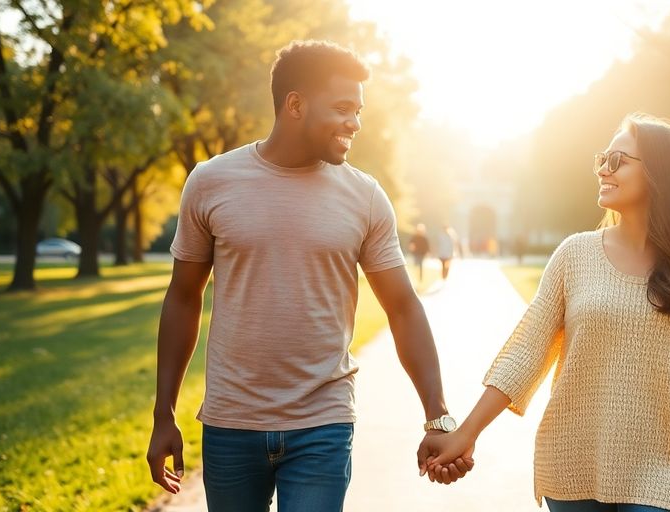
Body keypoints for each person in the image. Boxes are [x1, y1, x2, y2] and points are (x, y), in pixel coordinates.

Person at [146, 40, 471, 512]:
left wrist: (437, 416)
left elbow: (403, 307)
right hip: (231, 423)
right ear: (295, 104)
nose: (354, 123)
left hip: (323, 423)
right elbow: (183, 297)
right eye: (341, 108)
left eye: (358, 111)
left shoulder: (365, 197)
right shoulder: (211, 182)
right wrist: (164, 413)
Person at [418, 113, 670, 512]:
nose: (602, 169)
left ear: (660, 173)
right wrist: (466, 434)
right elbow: (526, 353)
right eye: (602, 159)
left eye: (617, 160)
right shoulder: (575, 254)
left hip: (666, 467)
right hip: (572, 461)